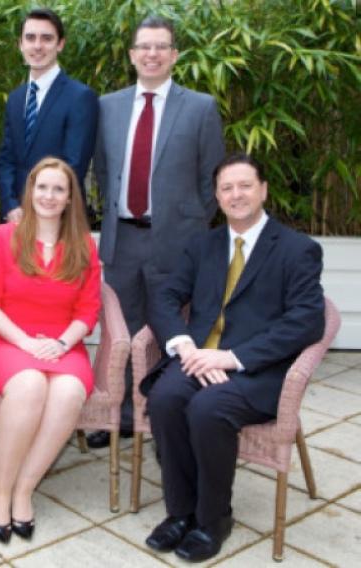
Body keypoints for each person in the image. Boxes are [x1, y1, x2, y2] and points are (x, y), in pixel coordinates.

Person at [141, 153, 324, 562]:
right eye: (227, 188)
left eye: (245, 186)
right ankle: (181, 513)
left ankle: (213, 520)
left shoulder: (298, 249)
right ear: (217, 197)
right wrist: (184, 345)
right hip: (198, 357)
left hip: (254, 369)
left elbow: (306, 321)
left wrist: (233, 357)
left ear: (264, 190)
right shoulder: (202, 246)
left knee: (208, 409)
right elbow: (165, 296)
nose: (236, 195)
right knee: (166, 398)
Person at [88, 15, 226, 448]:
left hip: (177, 240)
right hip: (122, 238)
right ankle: (124, 414)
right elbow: (102, 170)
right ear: (132, 55)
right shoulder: (107, 106)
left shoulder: (200, 107)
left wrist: (190, 225)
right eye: (144, 46)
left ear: (174, 55)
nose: (152, 54)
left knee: (173, 327)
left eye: (161, 46)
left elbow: (212, 179)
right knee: (123, 330)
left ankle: (168, 411)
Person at [0, 157, 101, 543]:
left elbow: (88, 311)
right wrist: (26, 342)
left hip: (63, 343)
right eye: (41, 187)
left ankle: (23, 489)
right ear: (30, 192)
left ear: (70, 198)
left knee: (68, 392)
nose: (49, 195)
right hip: (9, 340)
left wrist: (62, 342)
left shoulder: (83, 245)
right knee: (29, 384)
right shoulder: (5, 237)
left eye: (58, 189)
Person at [0, 7, 98, 222]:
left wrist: (39, 209)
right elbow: (6, 159)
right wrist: (10, 205)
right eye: (30, 38)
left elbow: (74, 165)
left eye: (47, 38)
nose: (37, 46)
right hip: (16, 217)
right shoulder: (15, 98)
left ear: (60, 44)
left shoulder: (80, 97)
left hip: (59, 217)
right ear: (20, 44)